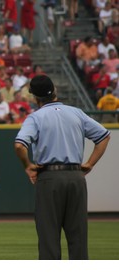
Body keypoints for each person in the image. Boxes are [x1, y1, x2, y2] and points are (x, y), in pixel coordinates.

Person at [14, 75, 110, 260]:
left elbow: (19, 145)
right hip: (76, 177)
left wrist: (28, 166)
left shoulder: (35, 117)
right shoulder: (76, 112)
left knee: (49, 240)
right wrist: (89, 163)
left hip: (49, 178)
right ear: (55, 91)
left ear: (34, 97)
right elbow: (104, 136)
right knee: (78, 239)